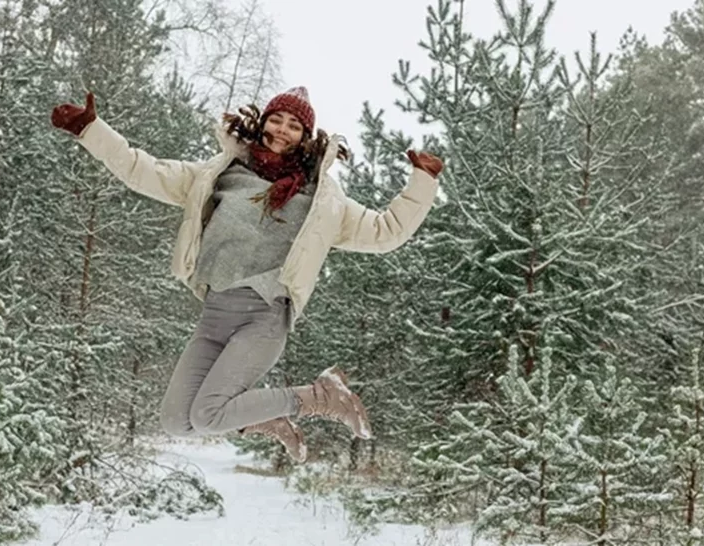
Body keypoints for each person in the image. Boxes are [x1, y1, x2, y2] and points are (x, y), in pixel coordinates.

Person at [51, 87, 442, 462]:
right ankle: (265, 418)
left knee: (206, 414)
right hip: (215, 315)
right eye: (277, 120)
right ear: (262, 123)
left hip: (264, 315)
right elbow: (143, 169)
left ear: (307, 136)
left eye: (294, 125)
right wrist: (90, 129)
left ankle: (324, 395)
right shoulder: (219, 175)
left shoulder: (322, 201)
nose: (282, 131)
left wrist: (422, 181)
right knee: (177, 421)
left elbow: (384, 230)